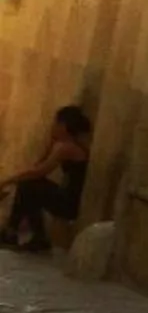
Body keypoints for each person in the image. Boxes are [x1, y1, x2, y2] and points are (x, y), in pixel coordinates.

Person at [0, 106, 91, 253]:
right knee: (29, 186)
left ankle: (14, 232)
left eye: (56, 124)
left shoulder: (68, 148)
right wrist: (50, 143)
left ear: (64, 126)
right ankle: (32, 235)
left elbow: (40, 171)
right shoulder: (62, 146)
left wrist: (6, 181)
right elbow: (38, 166)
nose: (53, 127)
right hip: (66, 196)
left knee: (28, 185)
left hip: (70, 202)